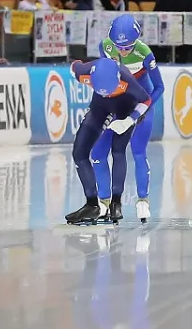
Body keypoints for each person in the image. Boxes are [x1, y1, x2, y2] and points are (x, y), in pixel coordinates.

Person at [90, 15, 165, 224]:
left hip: (142, 102)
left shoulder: (144, 53)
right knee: (98, 152)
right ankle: (104, 202)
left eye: (128, 47)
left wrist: (140, 111)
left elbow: (159, 87)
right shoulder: (105, 46)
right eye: (118, 47)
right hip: (117, 103)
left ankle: (143, 199)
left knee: (138, 151)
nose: (122, 51)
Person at [64, 58, 152, 225]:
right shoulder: (83, 72)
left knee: (118, 150)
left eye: (110, 90)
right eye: (103, 91)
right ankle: (92, 205)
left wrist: (130, 120)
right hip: (100, 108)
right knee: (79, 154)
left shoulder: (126, 78)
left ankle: (116, 203)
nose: (107, 94)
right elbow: (73, 66)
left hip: (126, 108)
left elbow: (146, 100)